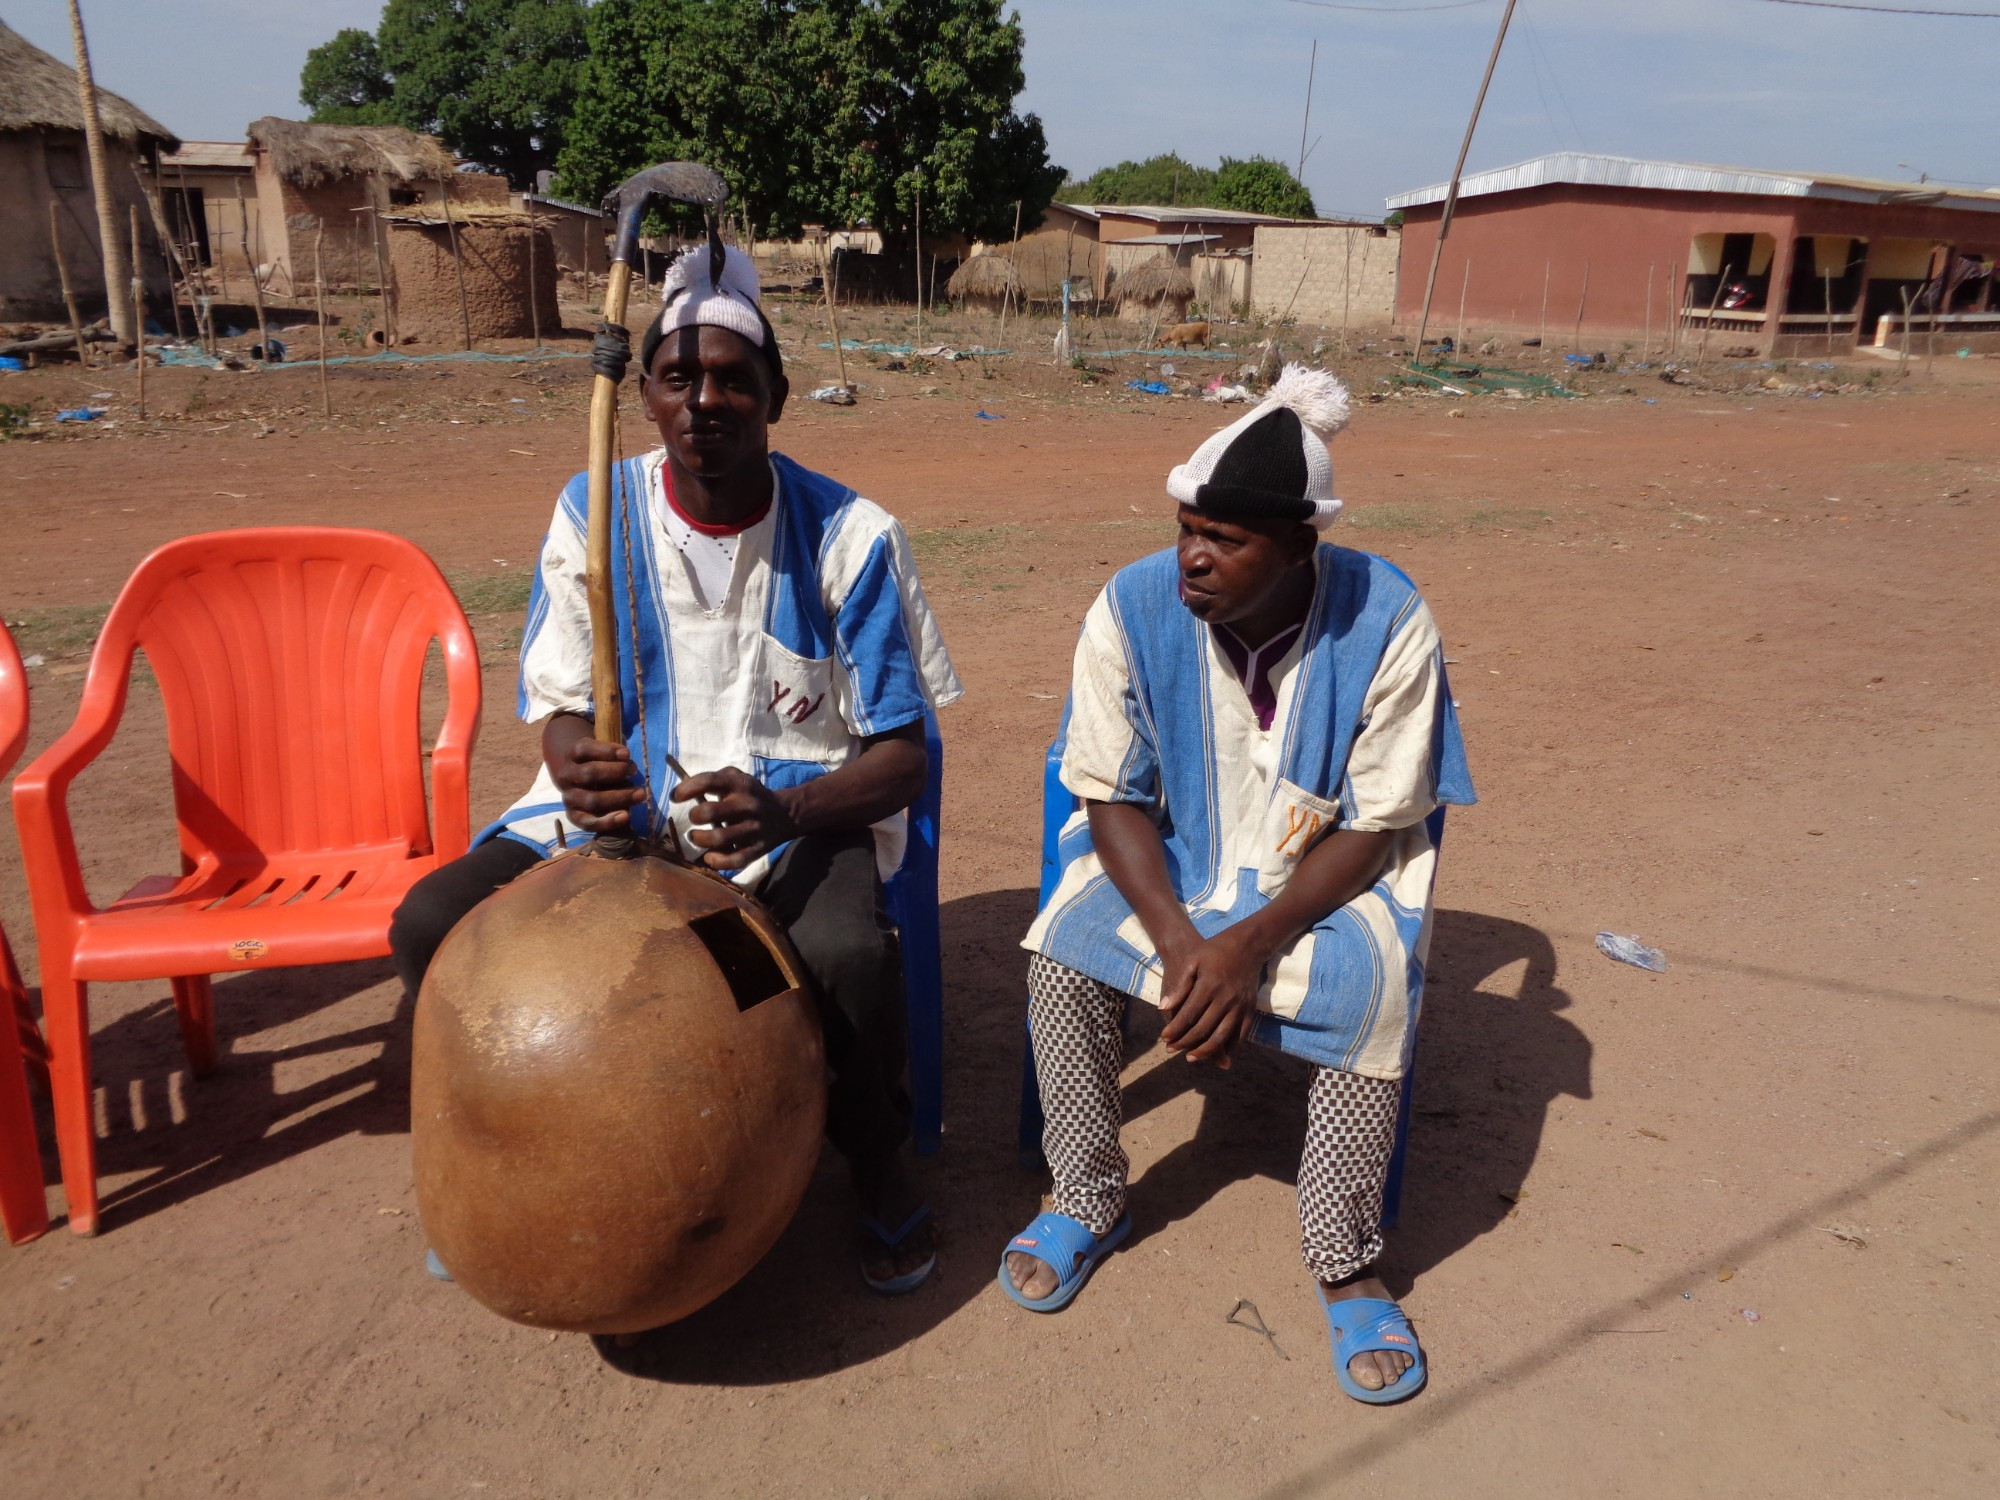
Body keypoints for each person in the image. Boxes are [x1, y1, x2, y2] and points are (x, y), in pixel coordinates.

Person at [391, 243, 962, 1295]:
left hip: (781, 833)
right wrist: (578, 771)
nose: (706, 400)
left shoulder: (853, 538)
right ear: (646, 397)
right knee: (434, 925)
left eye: (733, 379)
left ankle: (869, 1159)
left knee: (832, 961)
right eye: (678, 378)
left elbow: (900, 759)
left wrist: (786, 811)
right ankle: (512, 1163)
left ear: (776, 397)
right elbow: (559, 710)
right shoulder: (593, 511)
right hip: (607, 833)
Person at [1002, 366, 1474, 1404]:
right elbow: (1108, 795)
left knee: (1369, 986)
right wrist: (1184, 946)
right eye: (1185, 528)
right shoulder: (1129, 605)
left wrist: (1245, 945)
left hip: (1318, 883)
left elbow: (1380, 820)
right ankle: (1086, 1193)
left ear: (1303, 546)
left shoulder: (1389, 617)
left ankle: (1343, 1254)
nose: (1192, 558)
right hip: (1168, 873)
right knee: (1061, 950)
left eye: (1225, 539)